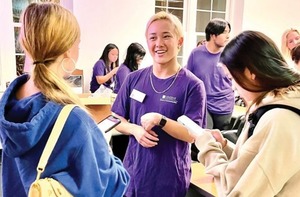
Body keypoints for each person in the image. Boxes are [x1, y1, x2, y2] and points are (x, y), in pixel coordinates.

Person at [0, 3, 129, 196]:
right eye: (78, 43)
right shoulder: (74, 119)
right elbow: (114, 185)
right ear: (68, 50)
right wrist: (103, 148)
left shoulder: (9, 106)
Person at [192, 30, 300, 196]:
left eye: (232, 78)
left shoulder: (278, 118)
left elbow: (235, 189)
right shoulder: (284, 106)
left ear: (250, 73)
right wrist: (225, 147)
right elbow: (257, 164)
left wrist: (208, 147)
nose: (234, 87)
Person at [111, 11, 207, 197]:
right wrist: (135, 129)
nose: (159, 44)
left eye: (166, 36)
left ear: (179, 42)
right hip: (134, 175)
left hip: (169, 179)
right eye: (153, 37)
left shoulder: (192, 85)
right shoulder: (133, 79)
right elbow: (116, 118)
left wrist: (161, 120)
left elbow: (192, 135)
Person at [186, 18, 234, 130]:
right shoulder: (196, 53)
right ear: (213, 35)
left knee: (221, 142)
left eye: (228, 32)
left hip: (224, 105)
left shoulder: (230, 55)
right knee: (207, 138)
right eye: (225, 32)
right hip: (204, 104)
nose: (228, 36)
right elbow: (188, 78)